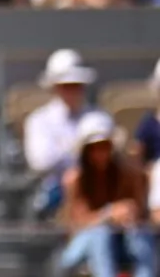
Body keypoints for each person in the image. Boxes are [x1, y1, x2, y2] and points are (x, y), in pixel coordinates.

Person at [60, 112, 153, 277]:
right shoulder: (75, 179)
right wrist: (109, 214)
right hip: (82, 244)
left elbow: (140, 213)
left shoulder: (128, 175)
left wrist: (129, 214)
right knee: (100, 234)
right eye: (94, 148)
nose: (100, 153)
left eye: (105, 146)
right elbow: (77, 223)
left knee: (141, 235)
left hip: (121, 241)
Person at [26, 49, 97, 215]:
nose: (71, 91)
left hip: (95, 190)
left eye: (76, 85)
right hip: (54, 193)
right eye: (66, 86)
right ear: (55, 88)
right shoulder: (39, 120)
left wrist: (63, 149)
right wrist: (78, 149)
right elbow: (41, 161)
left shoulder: (98, 116)